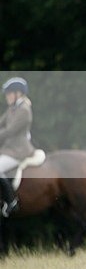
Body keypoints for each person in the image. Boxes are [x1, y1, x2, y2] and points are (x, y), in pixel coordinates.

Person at [0, 77, 35, 216]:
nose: (6, 96)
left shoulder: (24, 110)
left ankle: (11, 201)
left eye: (9, 93)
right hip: (9, 149)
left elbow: (10, 131)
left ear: (18, 94)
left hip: (19, 151)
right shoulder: (12, 108)